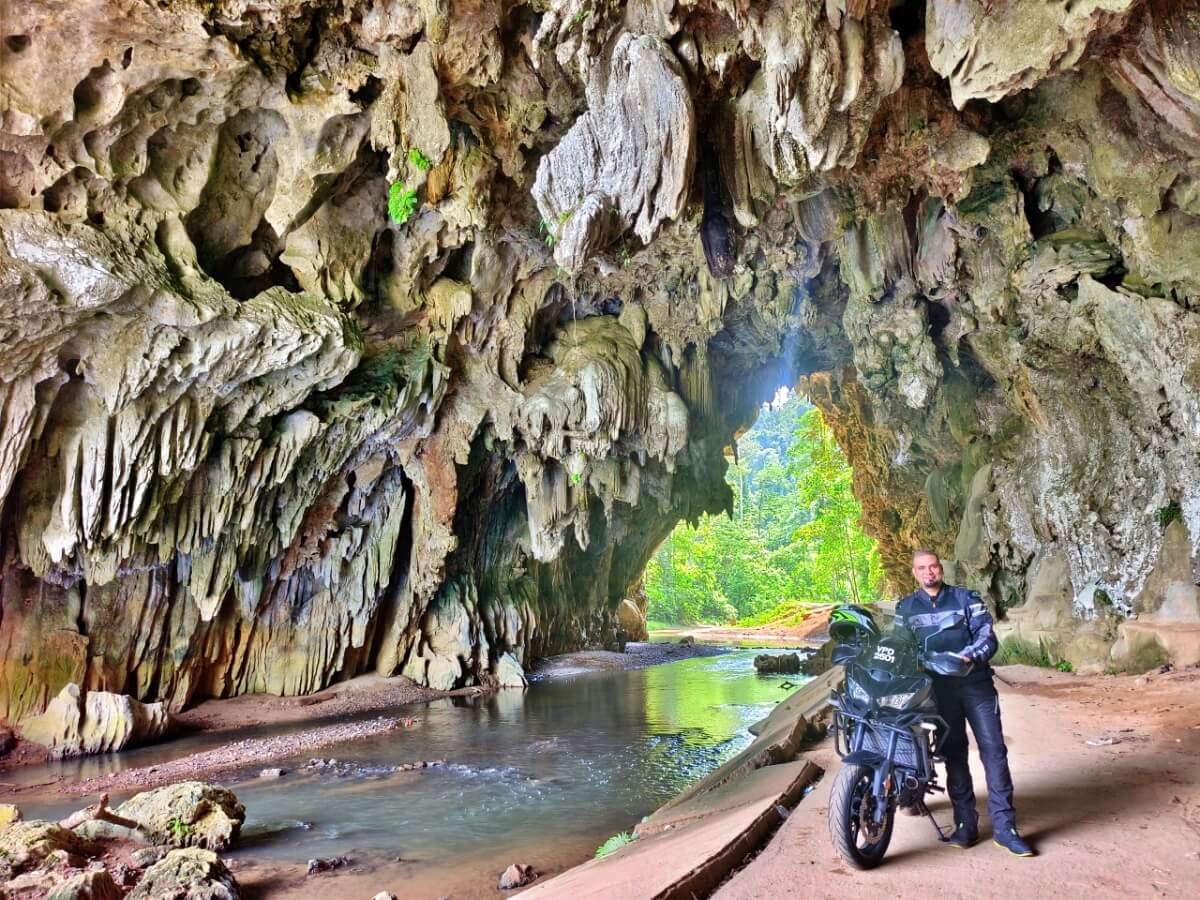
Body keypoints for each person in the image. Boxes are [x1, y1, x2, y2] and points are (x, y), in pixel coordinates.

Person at [894, 549, 1035, 857]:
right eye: (922, 568)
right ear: (914, 573)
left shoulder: (965, 598)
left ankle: (1006, 829)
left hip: (975, 685)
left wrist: (970, 655)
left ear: (940, 569)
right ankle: (965, 826)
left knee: (994, 751)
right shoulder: (905, 608)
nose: (929, 572)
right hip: (938, 692)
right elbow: (900, 647)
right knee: (954, 753)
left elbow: (987, 636)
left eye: (933, 566)